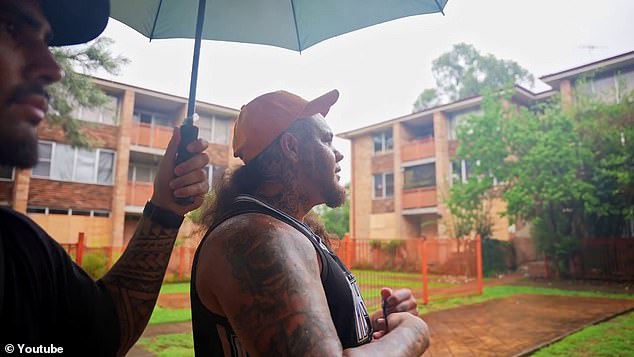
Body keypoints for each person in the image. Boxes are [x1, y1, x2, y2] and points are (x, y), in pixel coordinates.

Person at [0, 0, 210, 355]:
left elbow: (105, 331)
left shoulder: (17, 248)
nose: (52, 68)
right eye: (11, 29)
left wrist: (166, 209)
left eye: (46, 42)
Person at [191, 89, 430, 356]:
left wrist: (369, 325)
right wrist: (411, 332)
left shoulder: (286, 229)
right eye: (327, 141)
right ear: (291, 147)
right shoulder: (259, 238)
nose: (338, 154)